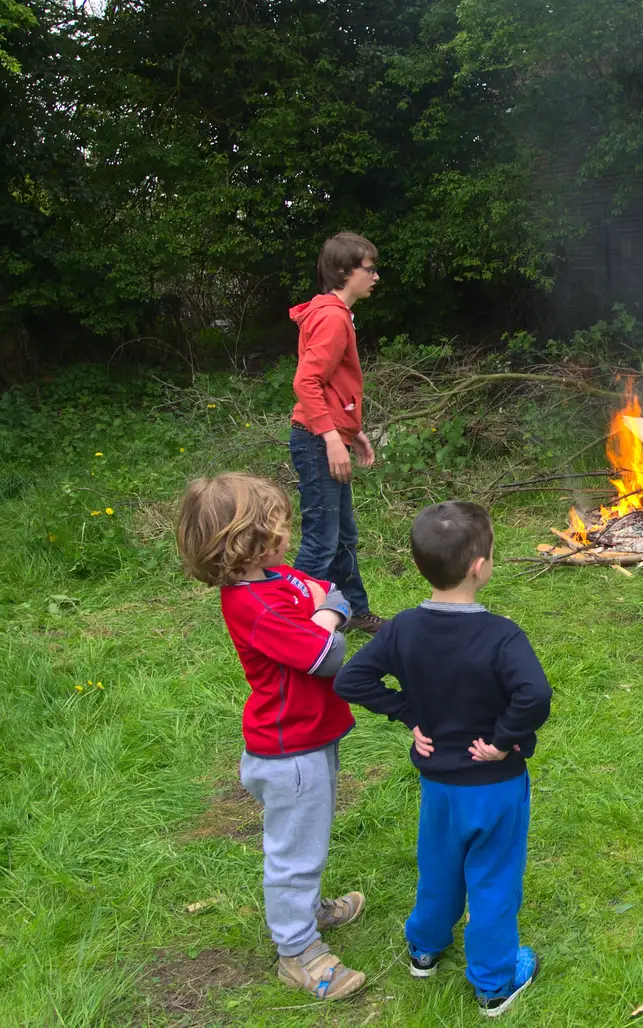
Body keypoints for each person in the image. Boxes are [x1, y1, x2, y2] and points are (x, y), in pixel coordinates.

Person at [335, 501, 551, 1017]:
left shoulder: (403, 628)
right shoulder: (501, 634)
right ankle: (495, 982)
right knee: (493, 879)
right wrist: (502, 740)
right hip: (495, 784)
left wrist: (408, 714)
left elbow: (351, 679)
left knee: (438, 867)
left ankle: (425, 949)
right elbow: (535, 696)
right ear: (480, 567)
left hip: (438, 784)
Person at [174, 473, 367, 1001]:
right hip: (290, 751)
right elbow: (328, 655)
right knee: (293, 854)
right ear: (248, 541)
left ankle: (307, 913)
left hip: (311, 734)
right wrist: (330, 615)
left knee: (311, 838)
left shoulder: (274, 579)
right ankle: (297, 953)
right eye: (279, 527)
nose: (288, 533)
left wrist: (327, 608)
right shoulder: (254, 605)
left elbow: (327, 590)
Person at [289, 232, 386, 635]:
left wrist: (352, 431)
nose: (375, 276)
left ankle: (353, 612)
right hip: (315, 441)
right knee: (321, 541)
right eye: (369, 268)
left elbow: (332, 386)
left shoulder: (336, 314)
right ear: (345, 271)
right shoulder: (331, 317)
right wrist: (332, 438)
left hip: (326, 435)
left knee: (344, 535)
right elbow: (306, 382)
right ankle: (288, 621)